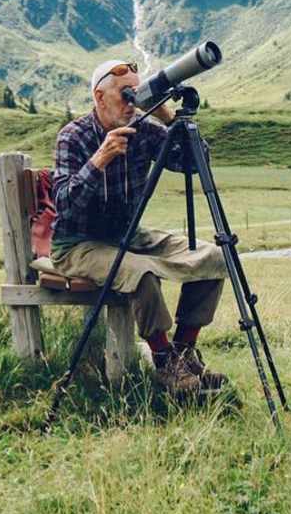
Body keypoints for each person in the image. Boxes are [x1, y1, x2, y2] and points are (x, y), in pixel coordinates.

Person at [51, 59, 229, 395]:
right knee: (140, 272)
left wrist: (168, 118)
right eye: (124, 94)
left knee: (215, 257)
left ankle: (183, 354)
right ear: (99, 96)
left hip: (128, 234)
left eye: (137, 92)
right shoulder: (73, 137)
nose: (132, 102)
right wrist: (99, 159)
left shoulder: (143, 129)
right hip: (77, 243)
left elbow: (195, 164)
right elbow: (64, 204)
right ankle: (164, 362)